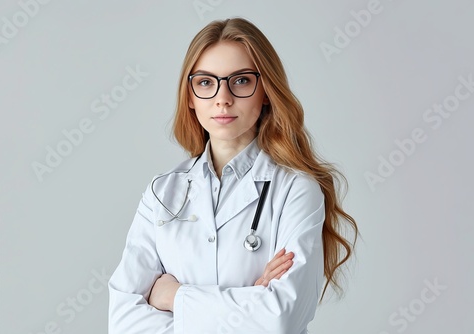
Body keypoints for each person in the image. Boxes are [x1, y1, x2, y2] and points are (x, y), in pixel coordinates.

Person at [108, 17, 358, 334]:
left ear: (265, 90)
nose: (222, 98)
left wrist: (174, 297)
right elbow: (123, 322)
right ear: (189, 97)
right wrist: (251, 302)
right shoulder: (162, 192)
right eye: (205, 82)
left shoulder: (297, 189)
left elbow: (281, 318)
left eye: (240, 81)